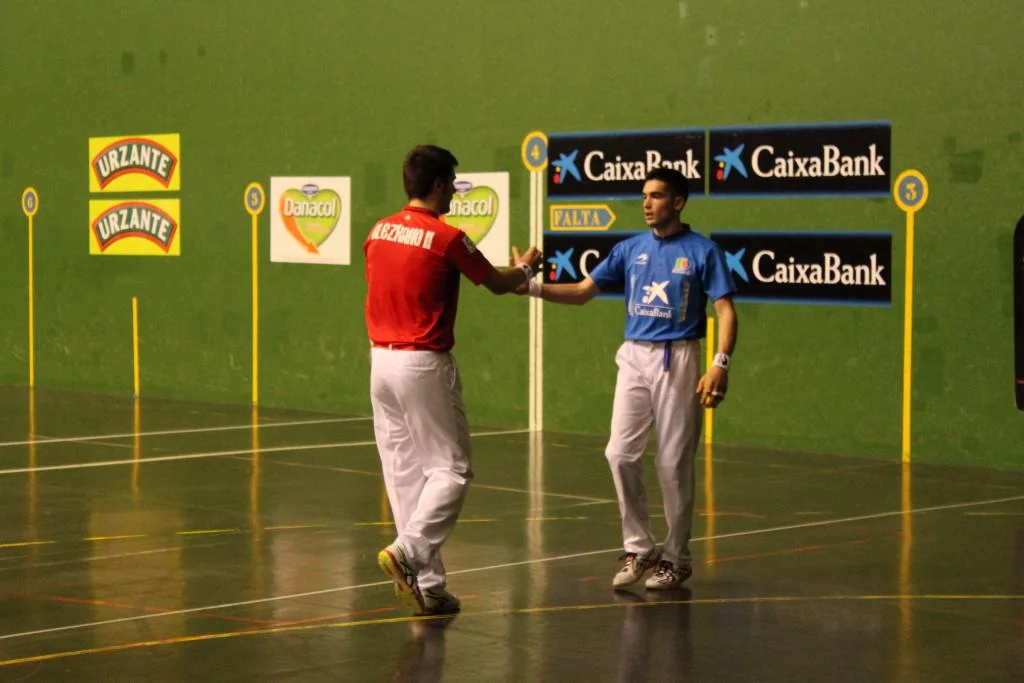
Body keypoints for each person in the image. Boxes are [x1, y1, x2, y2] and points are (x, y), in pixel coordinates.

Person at [523, 167, 737, 590]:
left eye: (656, 196)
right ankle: (640, 548)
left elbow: (726, 310)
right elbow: (582, 291)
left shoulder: (702, 251)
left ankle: (676, 557)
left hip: (679, 357)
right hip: (634, 356)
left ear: (678, 202)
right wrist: (529, 287)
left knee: (672, 463)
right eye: (644, 196)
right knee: (619, 454)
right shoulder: (629, 249)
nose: (647, 203)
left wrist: (720, 364)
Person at [365, 144, 542, 615]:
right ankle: (409, 553)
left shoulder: (377, 231)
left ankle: (428, 585)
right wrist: (527, 266)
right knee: (451, 470)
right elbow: (500, 284)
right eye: (452, 187)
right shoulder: (447, 238)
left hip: (380, 362)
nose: (454, 197)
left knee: (404, 473)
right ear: (439, 184)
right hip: (422, 364)